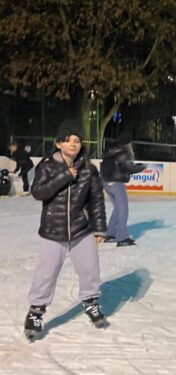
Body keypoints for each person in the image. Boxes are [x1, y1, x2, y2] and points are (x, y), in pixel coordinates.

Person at [24, 129, 108, 340]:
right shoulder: (47, 165)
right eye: (68, 140)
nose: (73, 144)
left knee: (90, 269)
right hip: (53, 230)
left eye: (77, 141)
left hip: (82, 229)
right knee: (46, 273)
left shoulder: (89, 169)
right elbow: (38, 192)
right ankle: (36, 312)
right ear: (59, 144)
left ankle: (91, 303)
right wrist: (65, 176)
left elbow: (96, 200)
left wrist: (99, 228)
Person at [100, 136, 146, 247]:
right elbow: (129, 168)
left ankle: (110, 233)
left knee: (117, 209)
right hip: (117, 183)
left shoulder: (109, 153)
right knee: (123, 210)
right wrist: (142, 167)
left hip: (107, 183)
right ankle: (122, 237)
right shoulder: (123, 153)